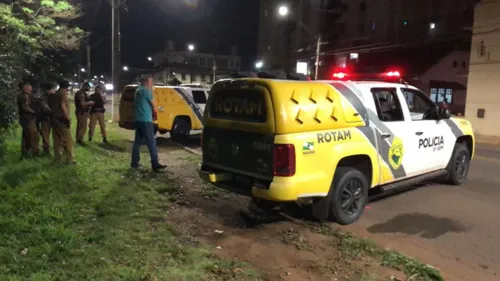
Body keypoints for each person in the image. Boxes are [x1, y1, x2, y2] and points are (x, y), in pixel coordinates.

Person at [131, 77, 166, 171]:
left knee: (137, 142)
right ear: (146, 83)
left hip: (138, 120)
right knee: (151, 142)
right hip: (146, 120)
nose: (152, 84)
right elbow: (155, 105)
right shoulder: (147, 92)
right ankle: (155, 164)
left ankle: (134, 163)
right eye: (151, 83)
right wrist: (161, 108)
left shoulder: (137, 91)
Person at [49, 80, 75, 164]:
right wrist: (67, 118)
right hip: (61, 120)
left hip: (54, 119)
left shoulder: (54, 94)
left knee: (57, 140)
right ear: (66, 87)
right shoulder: (62, 94)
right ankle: (69, 159)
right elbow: (63, 106)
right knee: (68, 140)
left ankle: (57, 159)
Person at [17, 81, 40, 159]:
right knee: (34, 136)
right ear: (25, 89)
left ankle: (24, 154)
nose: (31, 91)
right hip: (27, 119)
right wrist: (34, 112)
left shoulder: (23, 95)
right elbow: (25, 107)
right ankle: (35, 154)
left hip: (24, 119)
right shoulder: (24, 96)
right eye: (29, 89)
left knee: (25, 137)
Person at [35, 83, 55, 155]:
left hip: (47, 118)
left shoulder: (43, 98)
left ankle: (46, 148)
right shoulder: (55, 96)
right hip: (50, 118)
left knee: (45, 134)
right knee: (46, 133)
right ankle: (47, 148)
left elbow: (43, 108)